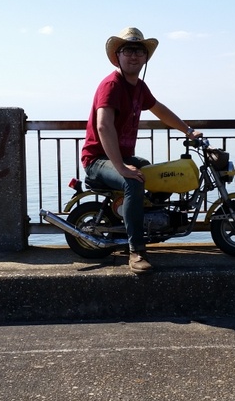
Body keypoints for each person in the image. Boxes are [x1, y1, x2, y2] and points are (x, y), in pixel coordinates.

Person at [81, 27, 202, 274]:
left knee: (154, 170)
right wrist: (121, 168)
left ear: (146, 57)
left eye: (139, 51)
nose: (134, 56)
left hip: (120, 157)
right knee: (133, 181)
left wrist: (188, 131)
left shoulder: (139, 87)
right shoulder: (111, 85)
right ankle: (136, 250)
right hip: (97, 160)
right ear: (118, 56)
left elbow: (160, 110)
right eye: (128, 50)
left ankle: (148, 222)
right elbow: (103, 126)